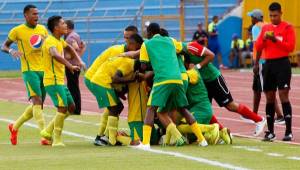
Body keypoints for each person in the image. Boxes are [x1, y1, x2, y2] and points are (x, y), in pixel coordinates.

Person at [138, 23, 208, 150]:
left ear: (149, 32)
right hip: (178, 79)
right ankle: (202, 140)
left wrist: (153, 64)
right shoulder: (171, 40)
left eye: (147, 32)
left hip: (162, 80)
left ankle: (146, 143)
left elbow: (143, 66)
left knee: (151, 108)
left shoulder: (146, 44)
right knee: (182, 109)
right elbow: (184, 48)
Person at [186, 41, 266, 136]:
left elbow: (211, 55)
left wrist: (197, 67)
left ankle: (259, 120)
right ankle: (224, 132)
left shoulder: (190, 47)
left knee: (230, 105)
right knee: (205, 109)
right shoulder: (177, 57)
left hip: (214, 78)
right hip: (203, 83)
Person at [1, 4, 50, 145]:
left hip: (44, 70)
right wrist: (11, 51)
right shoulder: (17, 31)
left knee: (38, 106)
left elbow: (47, 46)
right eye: (33, 14)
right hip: (29, 71)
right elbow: (4, 46)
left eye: (37, 14)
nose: (37, 16)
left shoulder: (42, 29)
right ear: (26, 15)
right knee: (37, 102)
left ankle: (14, 127)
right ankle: (44, 136)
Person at [89, 34, 143, 146]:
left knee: (117, 107)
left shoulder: (126, 59)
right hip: (102, 82)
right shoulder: (129, 63)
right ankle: (110, 139)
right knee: (114, 108)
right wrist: (132, 79)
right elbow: (116, 78)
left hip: (101, 81)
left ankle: (106, 137)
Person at [40, 15, 85, 147]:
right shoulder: (50, 41)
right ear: (56, 28)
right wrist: (70, 65)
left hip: (59, 81)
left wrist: (79, 60)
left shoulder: (60, 40)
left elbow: (70, 48)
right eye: (63, 23)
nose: (66, 25)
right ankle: (57, 140)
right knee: (62, 108)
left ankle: (47, 131)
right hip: (52, 81)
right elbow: (55, 55)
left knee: (71, 108)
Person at [255, 2, 296, 141]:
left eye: (275, 15)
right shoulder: (266, 28)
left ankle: (288, 131)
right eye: (271, 16)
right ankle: (271, 132)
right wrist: (265, 39)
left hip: (283, 64)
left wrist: (275, 40)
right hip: (269, 65)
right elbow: (258, 46)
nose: (273, 18)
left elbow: (290, 47)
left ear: (281, 13)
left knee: (284, 95)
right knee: (270, 97)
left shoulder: (288, 27)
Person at [248, 9, 284, 125]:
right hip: (269, 60)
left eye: (251, 17)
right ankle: (254, 114)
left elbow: (258, 46)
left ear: (255, 18)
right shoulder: (268, 25)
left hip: (261, 62)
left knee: (268, 90)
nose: (251, 19)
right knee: (256, 89)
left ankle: (279, 115)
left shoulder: (255, 28)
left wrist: (256, 63)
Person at [64, 20, 86, 115]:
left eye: (64, 26)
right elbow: (83, 45)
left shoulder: (70, 37)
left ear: (67, 27)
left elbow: (76, 47)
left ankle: (75, 109)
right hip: (75, 64)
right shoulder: (76, 35)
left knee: (73, 88)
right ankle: (75, 109)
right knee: (74, 87)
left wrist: (70, 55)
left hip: (72, 65)